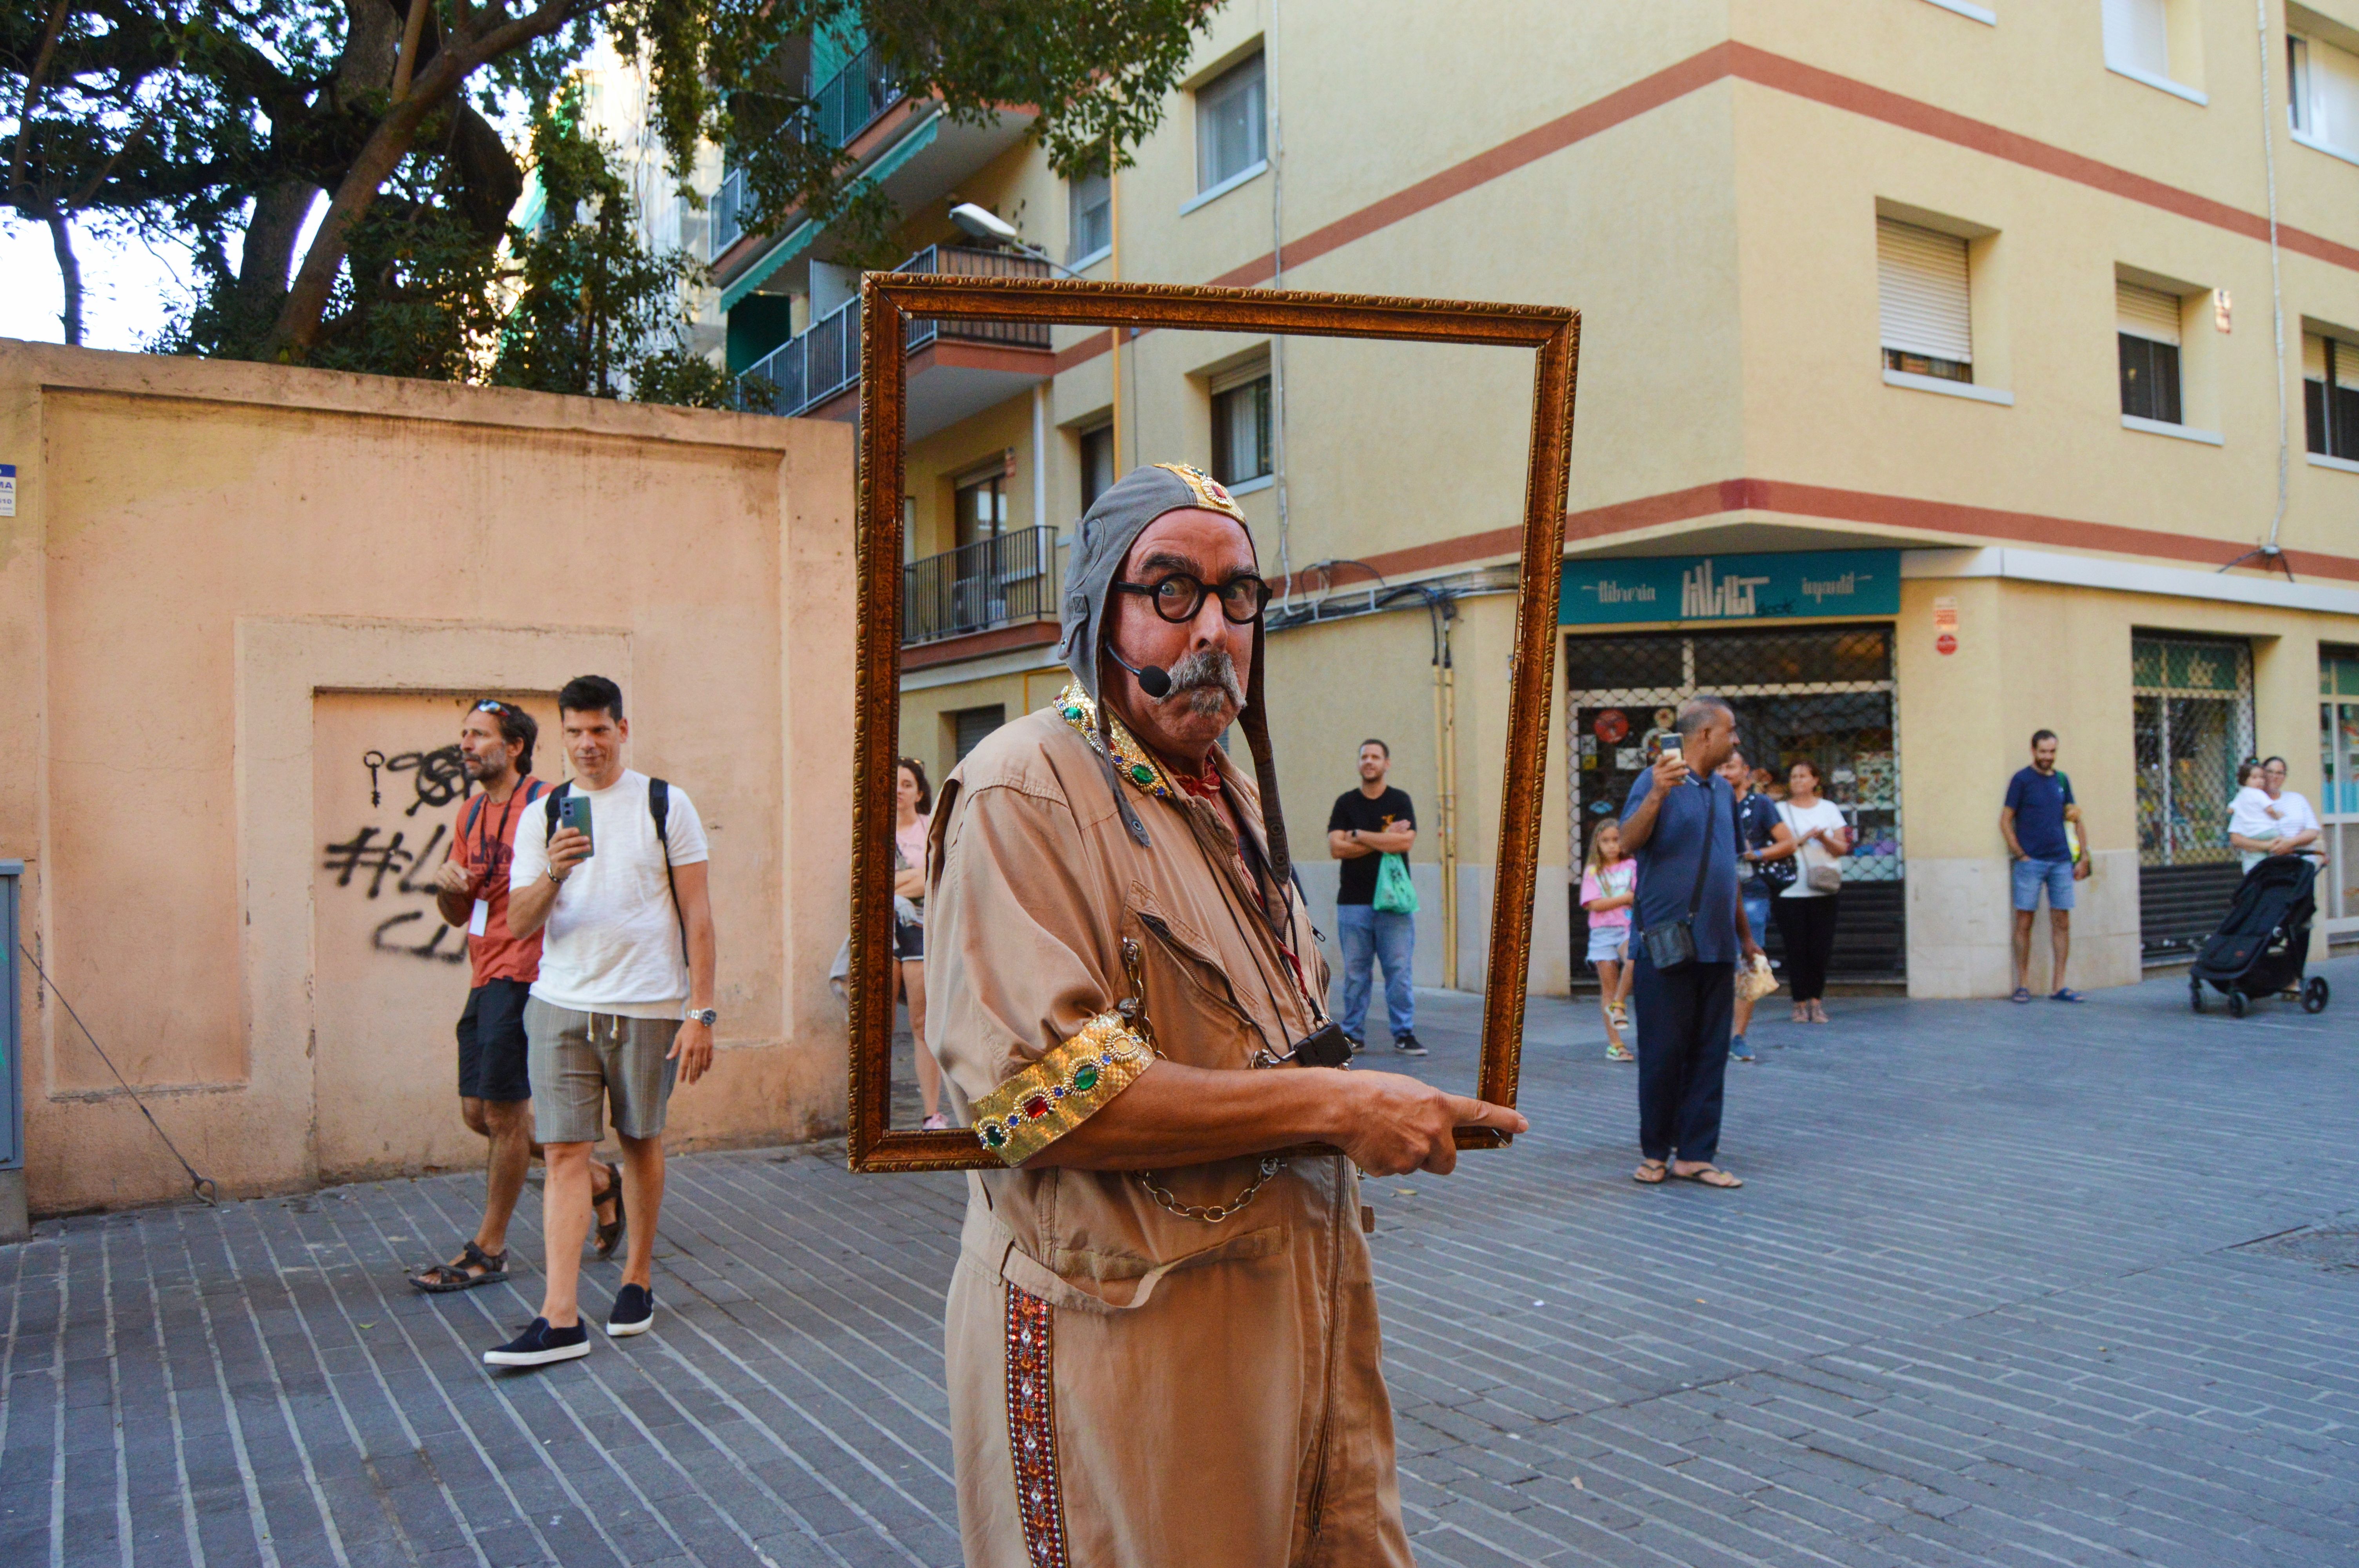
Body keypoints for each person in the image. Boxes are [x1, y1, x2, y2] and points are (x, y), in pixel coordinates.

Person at [924, 462, 1526, 1566]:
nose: (1212, 627)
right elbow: (1042, 1102)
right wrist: (1343, 1106)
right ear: (1101, 610)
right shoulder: (1023, 790)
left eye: (1238, 596)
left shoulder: (1226, 792)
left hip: (1294, 1326)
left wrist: (1374, 1102)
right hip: (1126, 1357)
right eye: (1171, 592)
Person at [487, 675, 718, 1368]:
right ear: (560, 737)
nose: (588, 745)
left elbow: (698, 916)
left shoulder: (664, 803)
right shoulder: (545, 813)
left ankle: (637, 1278)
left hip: (647, 1005)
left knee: (640, 1139)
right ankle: (560, 1318)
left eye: (599, 731)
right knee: (563, 1151)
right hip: (560, 1003)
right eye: (575, 733)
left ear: (622, 729)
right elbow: (517, 923)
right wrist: (554, 873)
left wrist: (700, 1011)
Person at [408, 701, 621, 1290]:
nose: (467, 745)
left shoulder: (555, 802)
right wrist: (444, 887)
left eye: (479, 736)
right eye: (464, 735)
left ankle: (490, 1248)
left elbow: (589, 885)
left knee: (505, 1114)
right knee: (478, 1114)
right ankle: (600, 1179)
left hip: (531, 975)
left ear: (515, 746)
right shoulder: (471, 812)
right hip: (485, 972)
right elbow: (457, 914)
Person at [1617, 695, 1764, 1190]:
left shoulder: (1724, 792)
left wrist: (1748, 940)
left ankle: (1695, 1154)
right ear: (1704, 735)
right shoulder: (1655, 780)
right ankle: (1656, 1151)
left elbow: (1728, 871)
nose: (1736, 739)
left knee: (1709, 1052)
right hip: (1666, 944)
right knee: (1663, 1052)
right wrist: (1657, 794)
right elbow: (1628, 841)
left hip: (1718, 945)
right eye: (1731, 730)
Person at [1328, 739, 1422, 1055]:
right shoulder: (1346, 803)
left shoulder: (1400, 800)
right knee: (1355, 974)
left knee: (1399, 971)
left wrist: (1358, 835)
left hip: (1394, 903)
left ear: (1387, 764)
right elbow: (1336, 848)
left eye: (1376, 757)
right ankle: (1353, 1034)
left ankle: (1405, 1034)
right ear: (1359, 764)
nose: (1369, 762)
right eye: (1364, 757)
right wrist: (1384, 839)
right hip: (1353, 902)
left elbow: (1405, 843)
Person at [2000, 729, 2090, 1004]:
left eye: (2052, 752)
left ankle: (2059, 986)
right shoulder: (2022, 780)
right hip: (2031, 862)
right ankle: (2023, 985)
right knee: (2024, 921)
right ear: (2033, 751)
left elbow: (2075, 818)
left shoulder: (2062, 780)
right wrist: (2020, 854)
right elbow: (2005, 820)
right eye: (2043, 752)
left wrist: (2083, 857)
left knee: (2062, 922)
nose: (2048, 757)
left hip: (2061, 861)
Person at [1722, 749, 1795, 1060]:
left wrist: (1758, 855)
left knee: (1749, 960)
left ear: (1746, 771)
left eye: (1732, 767)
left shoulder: (1761, 804)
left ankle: (1738, 1036)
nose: (1726, 773)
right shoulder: (1708, 800)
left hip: (1751, 891)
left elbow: (1788, 843)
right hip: (1712, 893)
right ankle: (1714, 1033)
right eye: (1721, 767)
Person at [1774, 759, 1851, 1024]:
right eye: (1794, 776)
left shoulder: (1828, 809)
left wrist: (1824, 839)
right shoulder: (1780, 810)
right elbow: (1774, 846)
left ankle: (1816, 1003)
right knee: (1796, 948)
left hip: (1824, 888)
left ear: (1816, 780)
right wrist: (1801, 840)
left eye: (1803, 776)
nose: (1798, 781)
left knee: (1820, 949)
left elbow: (1842, 848)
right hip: (1791, 889)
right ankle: (1798, 1004)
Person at [894, 756, 948, 1129]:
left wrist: (900, 882)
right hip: (883, 929)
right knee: (871, 1021)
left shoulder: (931, 828)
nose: (898, 791)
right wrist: (915, 878)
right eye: (893, 784)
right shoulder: (874, 831)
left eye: (907, 785)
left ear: (919, 793)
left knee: (921, 1021)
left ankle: (932, 1113)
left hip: (920, 929)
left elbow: (937, 873)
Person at [1579, 819, 1637, 1062]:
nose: (1612, 846)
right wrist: (1625, 897)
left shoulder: (1632, 865)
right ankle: (1616, 1044)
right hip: (1602, 933)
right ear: (1598, 844)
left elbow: (1637, 897)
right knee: (1608, 988)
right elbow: (1592, 904)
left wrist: (1623, 899)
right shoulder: (1593, 871)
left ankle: (1620, 1004)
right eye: (1606, 841)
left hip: (1627, 928)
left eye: (1616, 840)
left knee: (1634, 958)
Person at [2230, 755, 2325, 871]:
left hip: (2300, 869)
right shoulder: (2248, 802)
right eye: (2270, 772)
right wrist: (2269, 847)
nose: (2275, 777)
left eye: (2280, 773)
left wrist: (2289, 843)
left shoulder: (2298, 799)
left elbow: (2313, 831)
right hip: (2267, 871)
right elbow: (2236, 839)